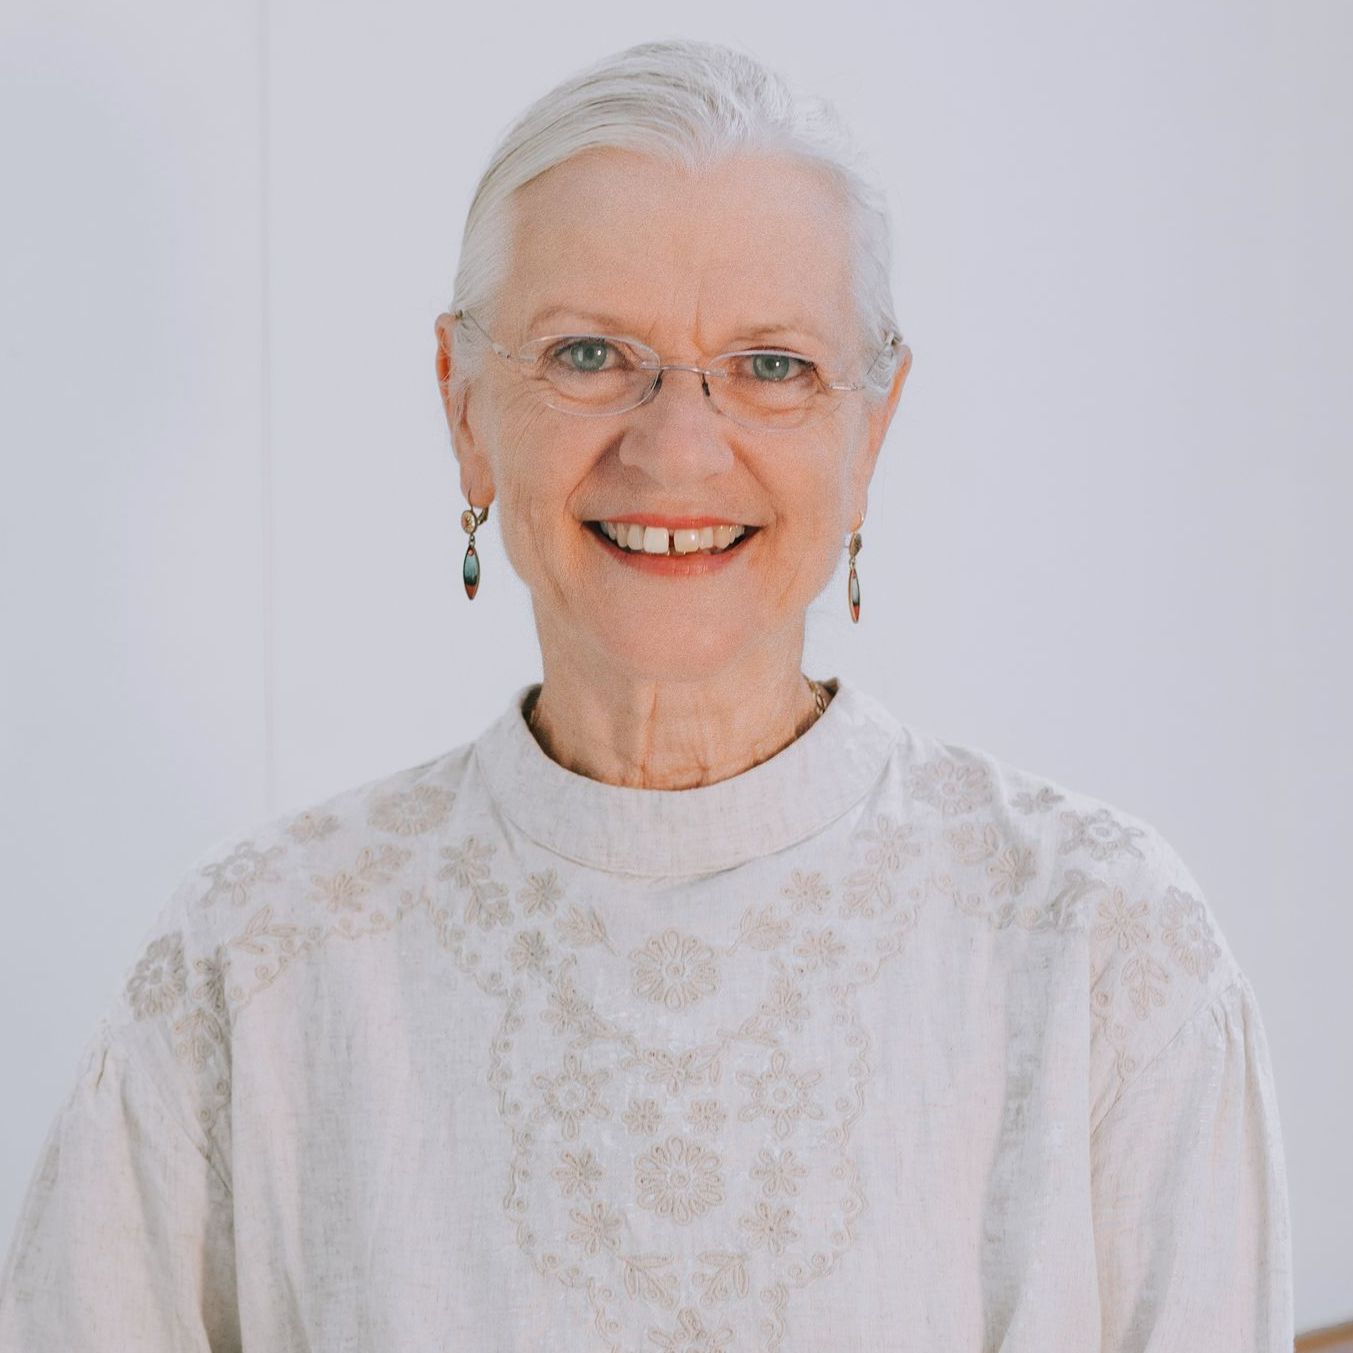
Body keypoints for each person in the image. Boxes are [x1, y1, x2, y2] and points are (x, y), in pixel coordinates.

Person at [0, 38, 1293, 1353]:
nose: (676, 442)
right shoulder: (259, 958)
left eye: (770, 365)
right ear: (463, 404)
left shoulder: (1101, 946)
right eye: (587, 354)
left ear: (874, 426)